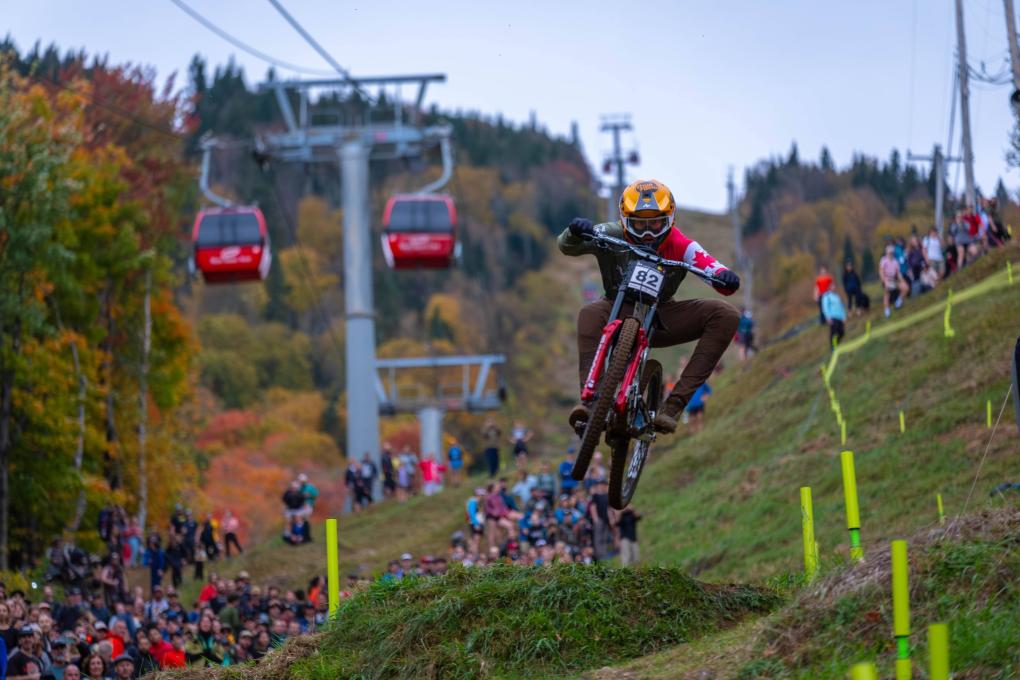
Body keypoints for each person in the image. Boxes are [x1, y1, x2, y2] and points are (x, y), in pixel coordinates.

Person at [560, 179, 739, 434]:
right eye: (638, 224)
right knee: (588, 314)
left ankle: (674, 406)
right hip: (616, 308)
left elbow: (710, 266)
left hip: (662, 317)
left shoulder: (681, 245)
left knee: (727, 315)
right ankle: (591, 403)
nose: (647, 233)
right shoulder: (611, 233)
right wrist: (575, 232)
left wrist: (725, 276)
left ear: (669, 219)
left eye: (655, 224)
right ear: (625, 220)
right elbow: (567, 246)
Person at [879, 244, 907, 317]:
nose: (891, 253)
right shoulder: (883, 260)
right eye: (889, 252)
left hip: (893, 279)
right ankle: (887, 309)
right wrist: (884, 281)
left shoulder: (895, 261)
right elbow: (881, 271)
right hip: (887, 279)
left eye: (892, 252)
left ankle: (898, 302)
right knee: (887, 292)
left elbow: (898, 273)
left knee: (905, 288)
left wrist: (902, 280)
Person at [820, 280, 847, 349]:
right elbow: (825, 307)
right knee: (834, 332)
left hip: (840, 317)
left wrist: (844, 316)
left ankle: (837, 343)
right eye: (832, 286)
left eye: (834, 286)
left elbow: (841, 306)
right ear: (829, 287)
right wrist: (828, 317)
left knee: (842, 332)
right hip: (833, 317)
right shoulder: (826, 296)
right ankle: (833, 346)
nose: (833, 287)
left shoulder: (837, 296)